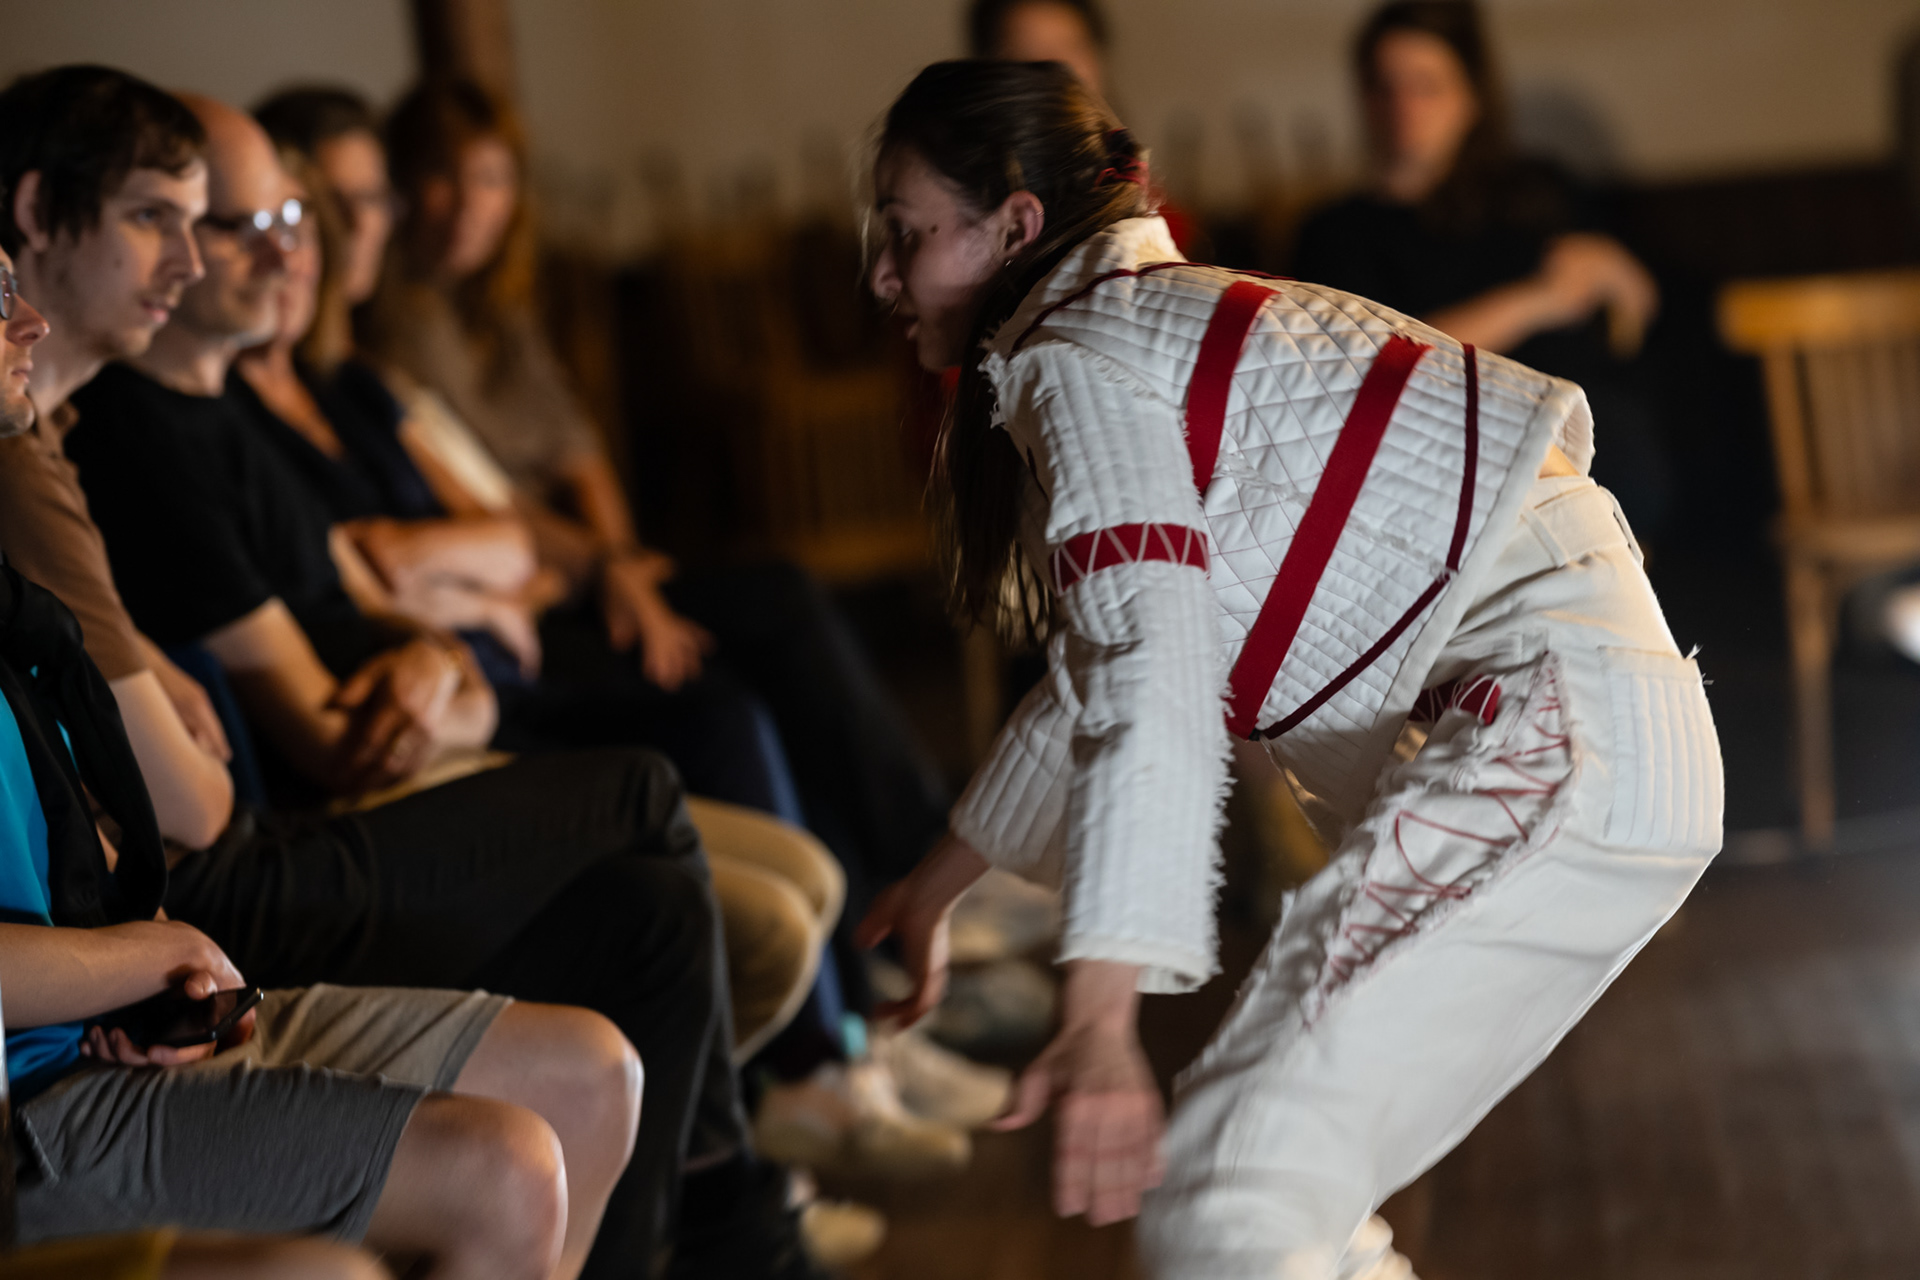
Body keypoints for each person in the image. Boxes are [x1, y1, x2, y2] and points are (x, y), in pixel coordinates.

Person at [856, 59, 1722, 1278]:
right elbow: (1116, 666)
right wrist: (943, 881)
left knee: (1227, 1202)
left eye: (904, 234)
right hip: (1593, 740)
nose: (882, 275)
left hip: (1554, 737)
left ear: (1014, 225)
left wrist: (1101, 1019)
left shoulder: (1077, 355)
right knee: (1260, 1204)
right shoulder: (1143, 323)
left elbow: (1150, 666)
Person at [0, 67, 824, 1279]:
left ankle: (767, 1154)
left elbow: (427, 585)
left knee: (632, 975)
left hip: (171, 938)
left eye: (289, 221)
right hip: (226, 893)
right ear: (37, 211)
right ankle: (745, 1205)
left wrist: (444, 654)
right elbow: (208, 798)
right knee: (649, 794)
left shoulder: (87, 434)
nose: (284, 254)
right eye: (166, 219)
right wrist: (137, 947)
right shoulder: (92, 446)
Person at [0, 238, 638, 1279]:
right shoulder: (118, 457)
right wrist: (138, 959)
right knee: (505, 1164)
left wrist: (127, 965)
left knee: (591, 1070)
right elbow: (224, 789)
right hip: (32, 1103)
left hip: (107, 1011)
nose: (30, 323)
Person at [1292, 0, 1672, 537]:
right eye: (1385, 85)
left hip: (1577, 456)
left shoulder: (1534, 194)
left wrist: (1613, 267)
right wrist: (1538, 300)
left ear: (1471, 97)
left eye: (1426, 85)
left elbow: (1639, 301)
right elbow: (1375, 370)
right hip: (1431, 467)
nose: (1403, 106)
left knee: (1624, 439)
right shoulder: (1334, 234)